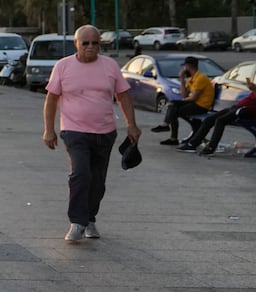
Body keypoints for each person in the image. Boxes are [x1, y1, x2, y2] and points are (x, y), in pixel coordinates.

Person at [43, 25, 141, 242]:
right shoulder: (63, 66)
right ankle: (77, 222)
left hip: (104, 132)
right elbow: (51, 100)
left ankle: (90, 218)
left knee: (97, 180)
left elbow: (123, 97)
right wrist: (49, 130)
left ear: (99, 44)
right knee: (80, 173)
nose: (90, 47)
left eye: (94, 43)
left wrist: (131, 125)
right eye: (85, 43)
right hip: (74, 131)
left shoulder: (110, 66)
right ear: (76, 44)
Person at [176, 77, 256, 155]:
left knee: (220, 121)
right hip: (236, 107)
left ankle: (211, 147)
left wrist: (253, 89)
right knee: (208, 120)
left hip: (245, 111)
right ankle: (192, 144)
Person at [151, 56, 215, 146]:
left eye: (184, 66)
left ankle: (170, 132)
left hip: (202, 106)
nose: (183, 69)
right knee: (173, 105)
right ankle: (168, 129)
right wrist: (182, 80)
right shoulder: (191, 79)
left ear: (188, 66)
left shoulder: (201, 78)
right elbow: (184, 95)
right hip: (195, 104)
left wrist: (182, 101)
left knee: (173, 109)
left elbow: (193, 98)